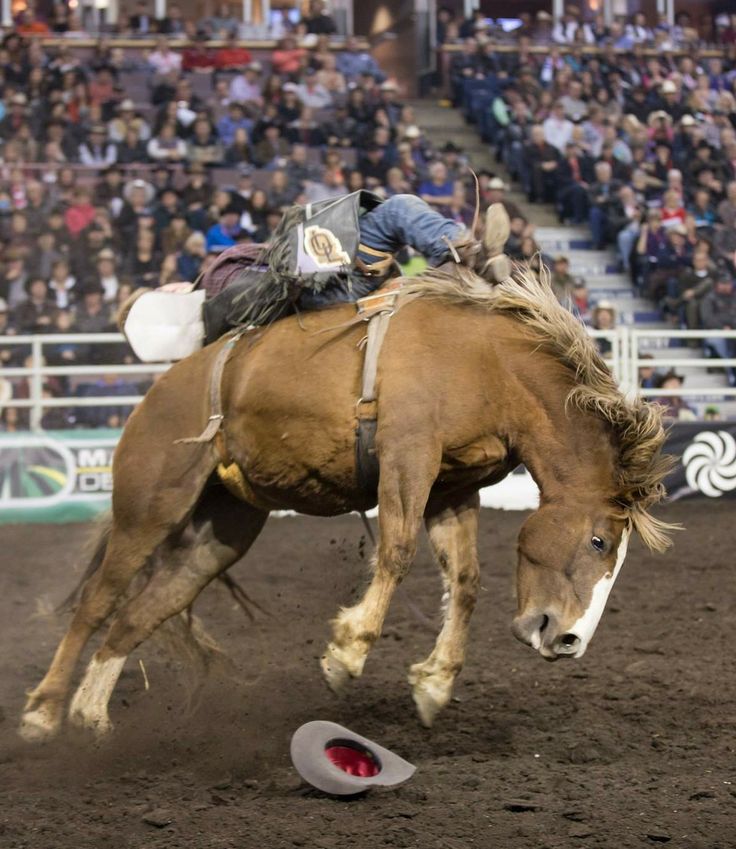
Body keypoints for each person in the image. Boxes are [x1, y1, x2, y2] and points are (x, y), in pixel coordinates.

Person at [121, 194, 499, 363]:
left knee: (396, 210)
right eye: (162, 290)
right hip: (329, 285)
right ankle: (462, 259)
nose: (169, 286)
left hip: (328, 275)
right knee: (398, 209)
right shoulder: (218, 290)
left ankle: (465, 257)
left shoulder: (219, 283)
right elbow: (275, 290)